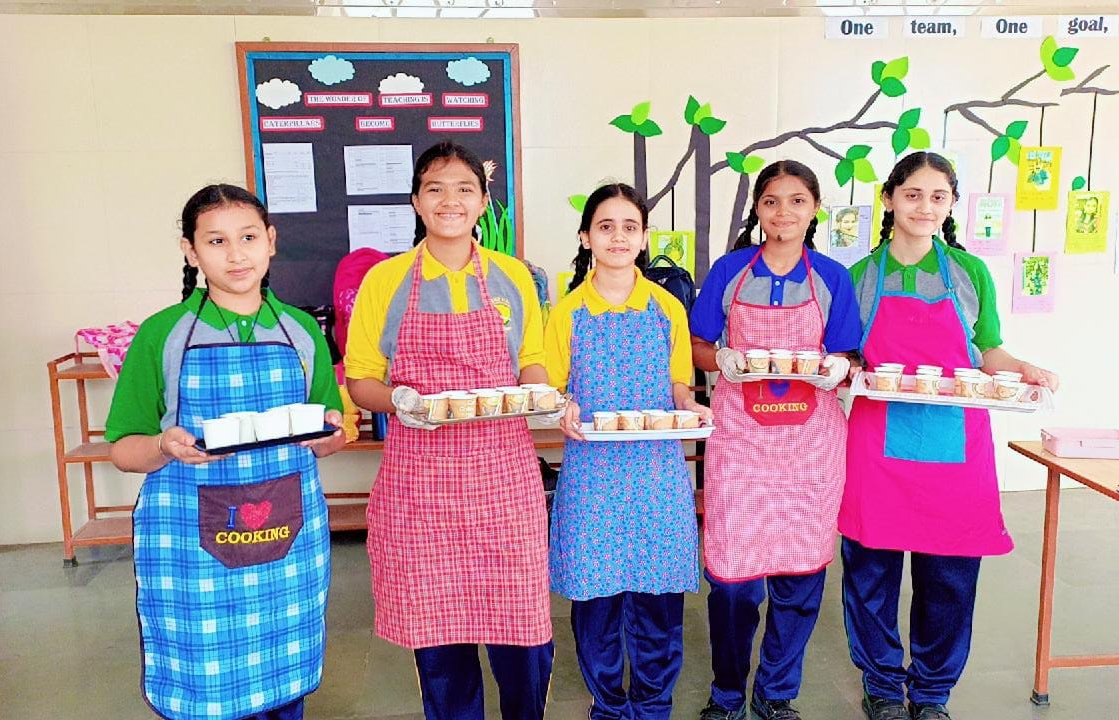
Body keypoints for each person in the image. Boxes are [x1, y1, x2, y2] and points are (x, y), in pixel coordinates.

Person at [107, 184, 349, 720]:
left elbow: (330, 435)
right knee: (207, 683)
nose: (236, 254)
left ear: (271, 241)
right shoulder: (162, 335)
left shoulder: (302, 331)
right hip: (192, 545)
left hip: (286, 537)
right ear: (191, 251)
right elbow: (124, 449)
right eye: (216, 241)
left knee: (283, 677)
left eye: (248, 237)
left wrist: (332, 436)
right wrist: (164, 447)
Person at [840, 152, 1059, 720]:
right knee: (870, 574)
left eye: (938, 197)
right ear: (889, 199)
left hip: (957, 444)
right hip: (877, 442)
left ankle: (932, 693)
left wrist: (1023, 368)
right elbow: (846, 356)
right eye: (912, 194)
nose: (925, 207)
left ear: (952, 204)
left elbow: (988, 351)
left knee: (951, 577)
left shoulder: (969, 272)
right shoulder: (859, 277)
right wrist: (844, 369)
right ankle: (882, 687)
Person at [344, 141, 554, 720]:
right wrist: (399, 400)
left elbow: (531, 361)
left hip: (504, 482)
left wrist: (541, 395)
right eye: (434, 188)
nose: (450, 201)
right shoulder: (386, 281)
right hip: (422, 487)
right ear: (416, 201)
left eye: (464, 188)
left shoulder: (514, 277)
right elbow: (361, 379)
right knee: (439, 643)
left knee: (522, 634)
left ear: (483, 202)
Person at [689, 160, 862, 720]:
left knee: (800, 574)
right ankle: (727, 694)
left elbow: (848, 353)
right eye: (771, 201)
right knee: (732, 580)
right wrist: (722, 358)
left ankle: (776, 692)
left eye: (796, 201)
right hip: (741, 442)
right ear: (758, 210)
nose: (783, 212)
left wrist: (839, 368)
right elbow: (697, 344)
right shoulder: (730, 271)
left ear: (815, 210)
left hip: (810, 448)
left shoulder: (832, 277)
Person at [546, 182, 711, 720]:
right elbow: (552, 388)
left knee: (658, 599)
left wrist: (689, 405)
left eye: (629, 227)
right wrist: (562, 407)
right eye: (606, 226)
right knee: (595, 600)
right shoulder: (567, 312)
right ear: (586, 237)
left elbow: (679, 383)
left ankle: (653, 703)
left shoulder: (667, 307)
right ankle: (610, 706)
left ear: (643, 239)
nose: (618, 237)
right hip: (591, 474)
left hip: (656, 472)